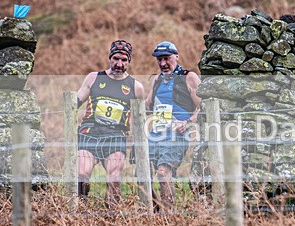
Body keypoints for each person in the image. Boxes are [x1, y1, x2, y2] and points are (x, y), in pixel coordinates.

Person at [76, 40, 145, 204]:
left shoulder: (136, 87)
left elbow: (139, 120)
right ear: (110, 58)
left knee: (114, 178)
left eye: (124, 60)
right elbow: (75, 102)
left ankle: (112, 217)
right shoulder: (94, 78)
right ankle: (80, 210)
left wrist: (137, 143)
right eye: (115, 59)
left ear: (129, 62)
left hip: (116, 136)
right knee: (81, 174)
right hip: (90, 133)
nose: (119, 64)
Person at [146, 41, 201, 212]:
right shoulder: (157, 80)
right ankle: (155, 209)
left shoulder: (189, 77)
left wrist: (187, 122)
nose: (163, 63)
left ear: (176, 57)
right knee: (142, 173)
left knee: (163, 172)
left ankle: (168, 217)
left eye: (167, 59)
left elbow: (203, 107)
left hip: (177, 135)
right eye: (159, 60)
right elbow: (147, 106)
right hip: (156, 134)